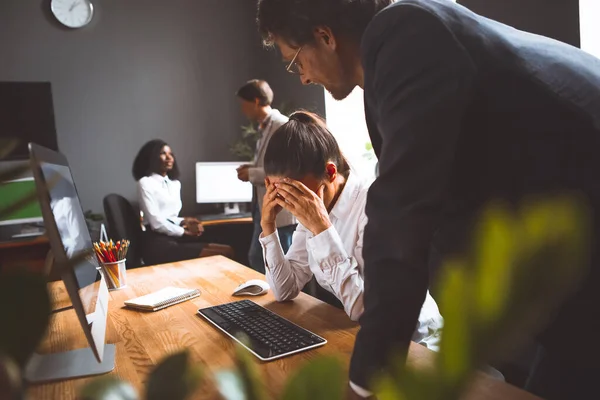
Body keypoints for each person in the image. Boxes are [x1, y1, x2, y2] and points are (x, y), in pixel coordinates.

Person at [256, 0, 600, 399]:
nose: (301, 79)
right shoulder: (388, 73)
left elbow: (402, 218)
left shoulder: (406, 36)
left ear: (325, 36)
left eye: (296, 61)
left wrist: (362, 385)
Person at [260, 111, 443, 350]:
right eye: (283, 194)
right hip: (369, 339)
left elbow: (364, 308)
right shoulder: (312, 207)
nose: (293, 205)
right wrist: (268, 227)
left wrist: (322, 229)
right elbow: (285, 289)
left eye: (299, 194)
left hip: (418, 343)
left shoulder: (374, 205)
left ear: (331, 172)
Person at [133, 139, 234, 265]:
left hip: (173, 237)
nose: (169, 158)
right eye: (163, 153)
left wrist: (183, 221)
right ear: (152, 157)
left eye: (171, 154)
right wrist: (184, 232)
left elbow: (169, 216)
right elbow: (156, 223)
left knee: (228, 250)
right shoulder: (146, 183)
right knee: (223, 255)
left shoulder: (175, 184)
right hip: (157, 243)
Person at [235, 79, 296, 273]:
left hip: (281, 210)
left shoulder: (281, 125)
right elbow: (271, 164)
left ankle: (286, 300)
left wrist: (252, 173)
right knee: (258, 257)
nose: (242, 110)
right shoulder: (265, 128)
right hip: (262, 207)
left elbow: (289, 169)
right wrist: (252, 167)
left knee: (280, 263)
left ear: (254, 101)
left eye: (243, 104)